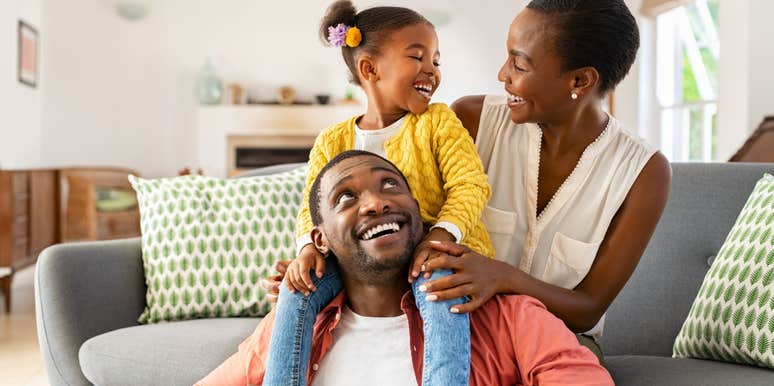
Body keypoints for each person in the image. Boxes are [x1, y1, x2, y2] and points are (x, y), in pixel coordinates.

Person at [197, 150, 613, 386]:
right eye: (345, 197)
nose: (376, 202)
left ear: (420, 214)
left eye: (390, 185)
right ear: (319, 239)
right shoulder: (291, 328)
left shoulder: (509, 317)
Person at [409, 0, 672, 358]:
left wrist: (504, 277)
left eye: (519, 64)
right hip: (462, 324)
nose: (503, 74)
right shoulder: (470, 121)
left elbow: (588, 308)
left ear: (579, 80)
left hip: (559, 340)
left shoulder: (644, 173)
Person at [266, 2, 493, 385]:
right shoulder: (332, 140)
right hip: (359, 263)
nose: (432, 71)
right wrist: (307, 249)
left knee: (439, 289)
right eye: (417, 57)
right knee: (296, 290)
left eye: (436, 60)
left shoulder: (438, 122)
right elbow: (313, 207)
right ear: (369, 69)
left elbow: (470, 184)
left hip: (434, 249)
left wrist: (439, 237)